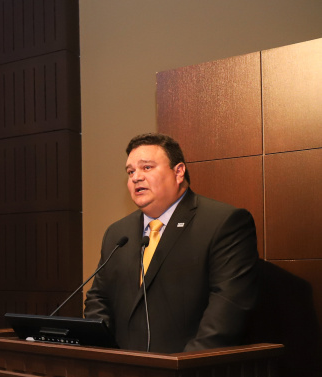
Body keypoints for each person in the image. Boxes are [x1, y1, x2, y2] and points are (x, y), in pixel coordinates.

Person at [84, 133, 258, 353]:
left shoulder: (222, 223)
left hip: (187, 373)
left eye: (146, 168)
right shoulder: (118, 233)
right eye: (130, 172)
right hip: (123, 373)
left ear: (178, 172)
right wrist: (105, 354)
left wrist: (183, 368)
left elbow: (229, 307)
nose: (136, 177)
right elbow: (98, 298)